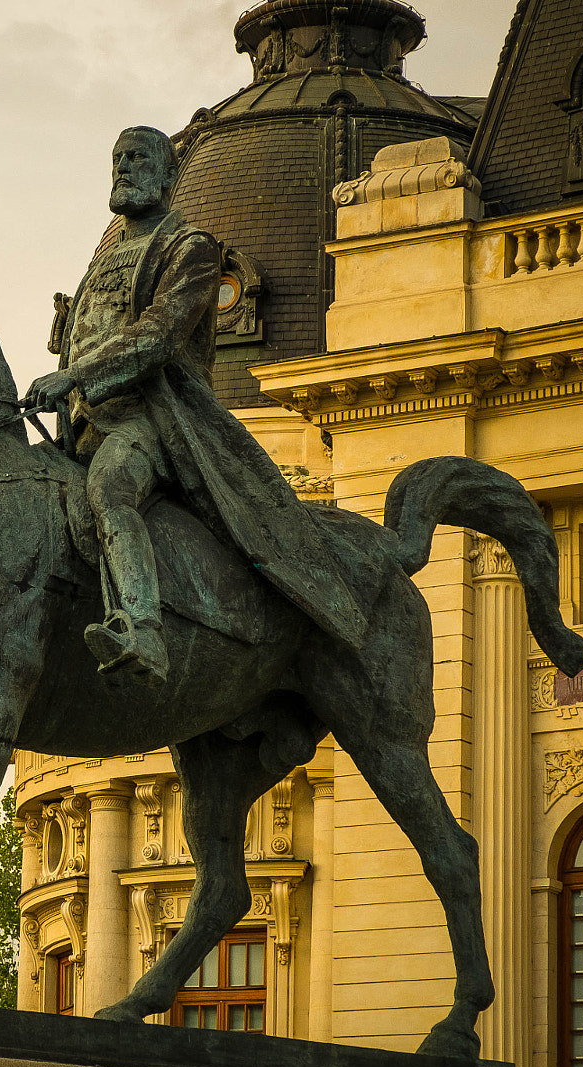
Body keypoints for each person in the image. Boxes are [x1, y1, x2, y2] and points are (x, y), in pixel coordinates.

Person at [27, 126, 366, 683]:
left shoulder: (190, 248)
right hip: (86, 425)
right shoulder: (103, 261)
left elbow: (158, 335)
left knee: (111, 486)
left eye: (137, 158)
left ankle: (143, 631)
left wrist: (75, 375)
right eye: (117, 159)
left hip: (157, 421)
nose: (123, 168)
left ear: (166, 175)